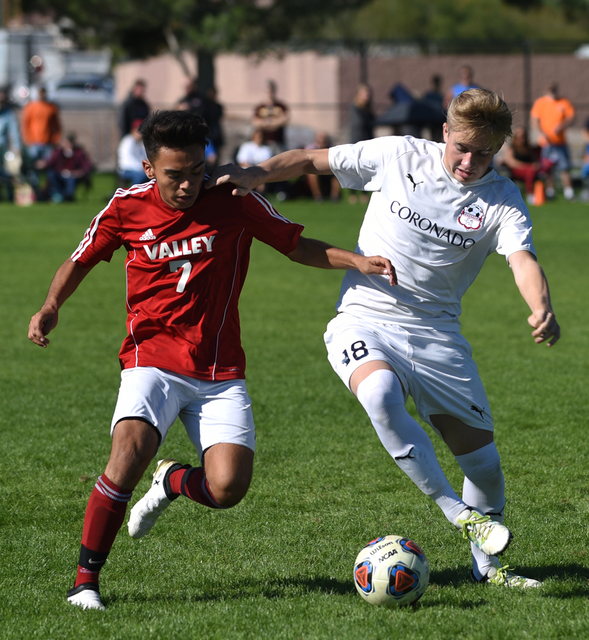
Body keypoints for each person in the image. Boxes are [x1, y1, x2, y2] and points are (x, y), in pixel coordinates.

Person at [28, 109, 394, 611]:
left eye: (195, 171)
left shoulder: (233, 201)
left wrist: (355, 260)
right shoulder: (124, 207)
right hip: (150, 357)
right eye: (174, 175)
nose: (186, 185)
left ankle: (171, 479)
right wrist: (50, 306)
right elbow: (81, 258)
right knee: (127, 453)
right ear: (149, 167)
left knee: (227, 488)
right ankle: (84, 582)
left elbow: (294, 245)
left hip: (219, 370)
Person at [207, 88, 561, 589]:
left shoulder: (501, 199)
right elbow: (312, 159)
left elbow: (521, 258)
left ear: (500, 148)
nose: (469, 161)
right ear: (445, 132)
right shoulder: (398, 155)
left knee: (483, 465)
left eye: (484, 153)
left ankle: (490, 571)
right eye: (462, 147)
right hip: (364, 317)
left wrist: (540, 306)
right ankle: (458, 514)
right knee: (378, 392)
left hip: (438, 334)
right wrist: (257, 173)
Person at [530, 83, 575, 200]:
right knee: (548, 168)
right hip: (546, 143)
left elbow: (571, 117)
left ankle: (568, 191)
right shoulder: (541, 103)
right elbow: (534, 120)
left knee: (564, 167)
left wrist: (561, 126)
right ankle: (550, 191)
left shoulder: (564, 102)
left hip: (560, 142)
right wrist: (542, 133)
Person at [37, 133, 93, 202]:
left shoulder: (78, 153)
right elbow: (51, 163)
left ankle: (68, 196)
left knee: (70, 179)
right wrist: (43, 164)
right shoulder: (59, 152)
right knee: (51, 174)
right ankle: (61, 195)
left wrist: (76, 173)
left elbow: (86, 167)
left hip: (73, 175)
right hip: (60, 174)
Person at [501, 127, 548, 205]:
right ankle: (530, 194)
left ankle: (543, 193)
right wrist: (527, 166)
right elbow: (511, 162)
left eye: (523, 137)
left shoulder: (528, 148)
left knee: (536, 171)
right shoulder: (512, 148)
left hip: (530, 171)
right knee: (530, 171)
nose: (521, 139)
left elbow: (534, 160)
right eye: (519, 137)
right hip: (516, 171)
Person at [20, 86, 62, 163]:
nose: (41, 95)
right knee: (32, 165)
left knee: (48, 165)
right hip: (34, 142)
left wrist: (55, 139)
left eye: (43, 93)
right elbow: (26, 125)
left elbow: (56, 125)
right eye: (40, 93)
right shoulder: (30, 107)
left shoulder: (51, 108)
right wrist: (28, 139)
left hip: (48, 142)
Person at [349, 83, 375, 203]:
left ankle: (364, 193)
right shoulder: (355, 109)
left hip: (368, 142)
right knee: (355, 169)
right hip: (357, 142)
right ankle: (352, 194)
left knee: (365, 169)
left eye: (368, 94)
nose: (367, 96)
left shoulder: (368, 110)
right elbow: (359, 124)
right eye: (365, 94)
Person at [252, 80, 289, 153]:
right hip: (263, 143)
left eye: (271, 91)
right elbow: (255, 122)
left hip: (278, 142)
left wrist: (266, 123)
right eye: (267, 91)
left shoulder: (281, 106)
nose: (269, 94)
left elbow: (285, 119)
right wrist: (274, 122)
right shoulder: (259, 107)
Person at [304, 132, 340, 202]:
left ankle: (335, 196)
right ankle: (318, 196)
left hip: (328, 170)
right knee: (311, 174)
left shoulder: (331, 149)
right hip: (314, 170)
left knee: (337, 173)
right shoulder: (311, 149)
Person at [0, 87, 22, 202]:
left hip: (2, 148)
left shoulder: (8, 114)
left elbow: (14, 132)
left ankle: (10, 196)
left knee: (8, 173)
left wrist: (17, 147)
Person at [236, 128, 274, 193]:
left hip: (261, 173)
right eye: (257, 137)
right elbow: (242, 162)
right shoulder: (246, 147)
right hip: (247, 171)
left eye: (261, 137)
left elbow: (268, 164)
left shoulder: (266, 149)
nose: (259, 139)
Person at [116, 118, 148, 187]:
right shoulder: (128, 141)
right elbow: (128, 160)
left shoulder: (141, 143)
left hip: (138, 168)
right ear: (133, 130)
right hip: (126, 169)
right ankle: (132, 194)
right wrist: (143, 167)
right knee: (141, 176)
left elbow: (145, 157)